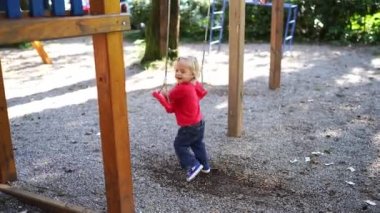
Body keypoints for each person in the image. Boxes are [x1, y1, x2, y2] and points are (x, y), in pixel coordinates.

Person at [152, 56, 210, 182]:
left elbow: (170, 108)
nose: (178, 73)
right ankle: (205, 166)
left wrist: (159, 96)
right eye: (177, 70)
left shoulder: (182, 88)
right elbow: (202, 93)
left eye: (183, 72)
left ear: (192, 74)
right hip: (199, 123)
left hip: (189, 126)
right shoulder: (194, 84)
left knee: (179, 145)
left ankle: (193, 165)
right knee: (197, 144)